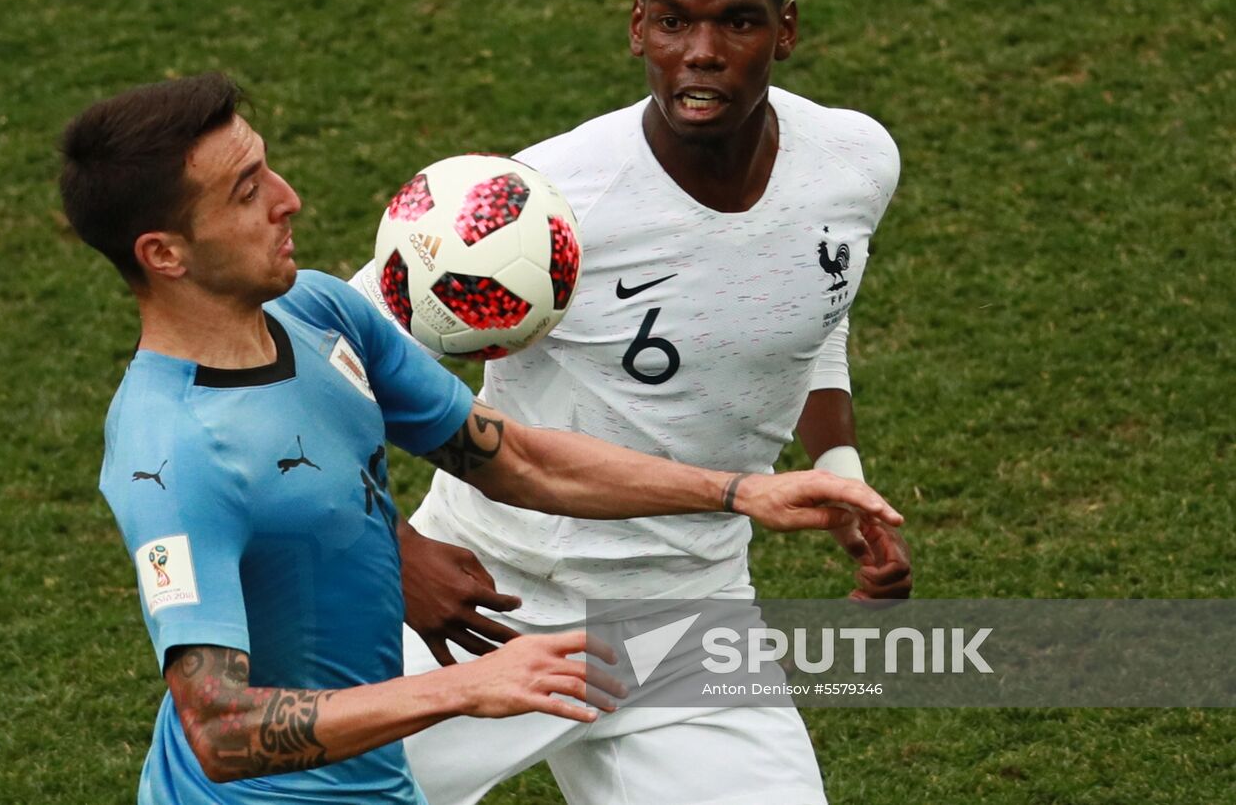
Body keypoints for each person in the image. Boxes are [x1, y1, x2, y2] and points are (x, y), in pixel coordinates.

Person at [58, 72, 903, 804]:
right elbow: (222, 729)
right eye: (246, 191)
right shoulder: (170, 460)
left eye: (268, 165)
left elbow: (515, 456)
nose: (289, 197)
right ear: (164, 253)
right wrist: (468, 686)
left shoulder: (320, 315)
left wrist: (740, 491)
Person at [350, 0, 913, 805]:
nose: (702, 50)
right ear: (638, 27)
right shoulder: (533, 205)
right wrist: (398, 549)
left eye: (737, 20)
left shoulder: (853, 163)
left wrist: (840, 471)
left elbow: (816, 311)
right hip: (489, 602)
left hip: (690, 618)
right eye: (673, 20)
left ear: (787, 29)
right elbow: (321, 356)